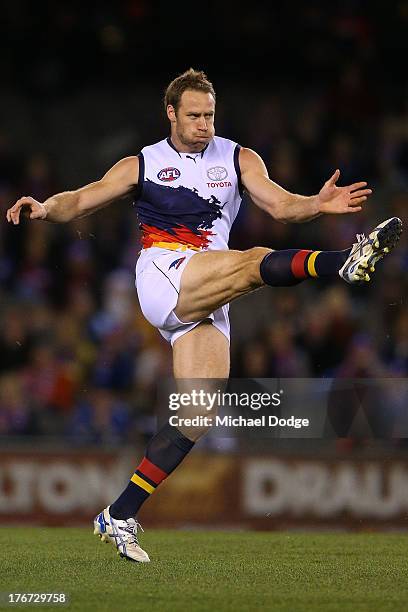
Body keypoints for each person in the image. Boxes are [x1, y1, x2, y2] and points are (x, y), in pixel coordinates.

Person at [6, 69, 402, 563]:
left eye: (209, 115)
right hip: (163, 273)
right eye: (193, 116)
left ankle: (119, 514)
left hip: (209, 290)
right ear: (170, 114)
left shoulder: (238, 157)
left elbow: (281, 205)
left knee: (195, 415)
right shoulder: (143, 163)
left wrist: (317, 205)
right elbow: (83, 199)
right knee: (252, 261)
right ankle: (340, 263)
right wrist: (45, 207)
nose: (203, 124)